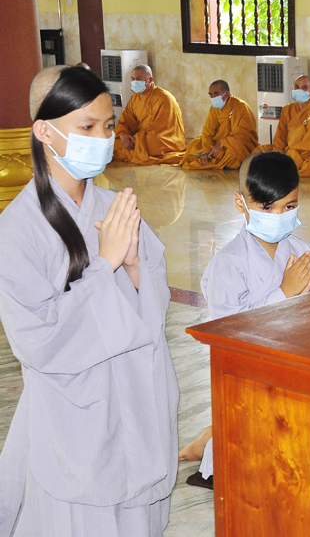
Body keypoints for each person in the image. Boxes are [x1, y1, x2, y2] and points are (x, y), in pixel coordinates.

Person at [0, 65, 178, 536]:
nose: (103, 139)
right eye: (87, 127)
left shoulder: (111, 207)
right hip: (74, 417)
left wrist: (135, 268)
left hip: (135, 402)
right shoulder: (16, 230)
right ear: (45, 131)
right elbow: (38, 341)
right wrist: (105, 265)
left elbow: (154, 303)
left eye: (108, 125)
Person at [178, 150, 310, 487]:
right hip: (249, 376)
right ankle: (210, 441)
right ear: (241, 203)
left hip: (301, 371)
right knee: (252, 469)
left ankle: (208, 438)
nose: (279, 216)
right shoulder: (228, 264)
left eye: (289, 207)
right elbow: (228, 335)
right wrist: (284, 293)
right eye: (267, 208)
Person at [253, 75, 310, 177]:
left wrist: (292, 152)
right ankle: (286, 167)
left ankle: (286, 170)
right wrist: (279, 153)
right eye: (297, 87)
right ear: (292, 89)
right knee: (257, 152)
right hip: (289, 153)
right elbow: (280, 136)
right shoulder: (287, 109)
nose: (300, 90)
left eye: (304, 87)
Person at [112, 64, 186, 165]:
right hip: (141, 138)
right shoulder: (134, 99)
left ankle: (134, 150)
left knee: (147, 144)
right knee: (112, 141)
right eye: (133, 79)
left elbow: (162, 130)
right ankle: (134, 150)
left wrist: (137, 140)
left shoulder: (164, 98)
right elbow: (125, 121)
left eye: (139, 78)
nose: (135, 82)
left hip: (162, 139)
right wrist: (123, 134)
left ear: (150, 79)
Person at [180, 79, 258, 170]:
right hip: (219, 143)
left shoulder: (241, 107)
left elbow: (243, 134)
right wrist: (206, 150)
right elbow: (208, 130)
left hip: (234, 144)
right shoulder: (214, 108)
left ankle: (215, 158)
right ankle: (210, 156)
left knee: (232, 155)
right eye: (211, 94)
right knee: (194, 144)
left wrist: (222, 145)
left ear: (227, 94)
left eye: (216, 94)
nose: (213, 97)